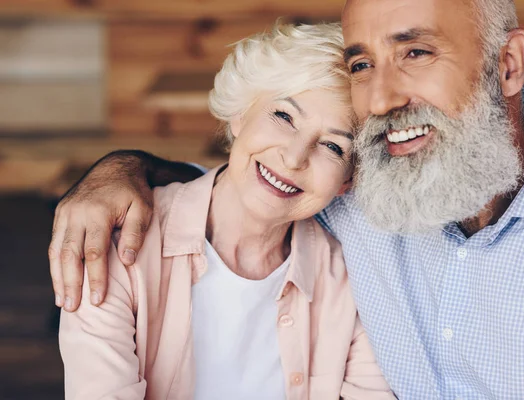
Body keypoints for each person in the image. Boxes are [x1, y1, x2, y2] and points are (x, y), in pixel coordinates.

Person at [51, 0, 524, 397]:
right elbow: (241, 189)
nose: (382, 99)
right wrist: (119, 170)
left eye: (416, 51)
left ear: (507, 64)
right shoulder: (374, 185)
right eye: (362, 64)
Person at [58, 22, 394, 400]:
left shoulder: (355, 280)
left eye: (333, 147)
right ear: (240, 114)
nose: (294, 157)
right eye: (283, 116)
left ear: (349, 179)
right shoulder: (121, 245)